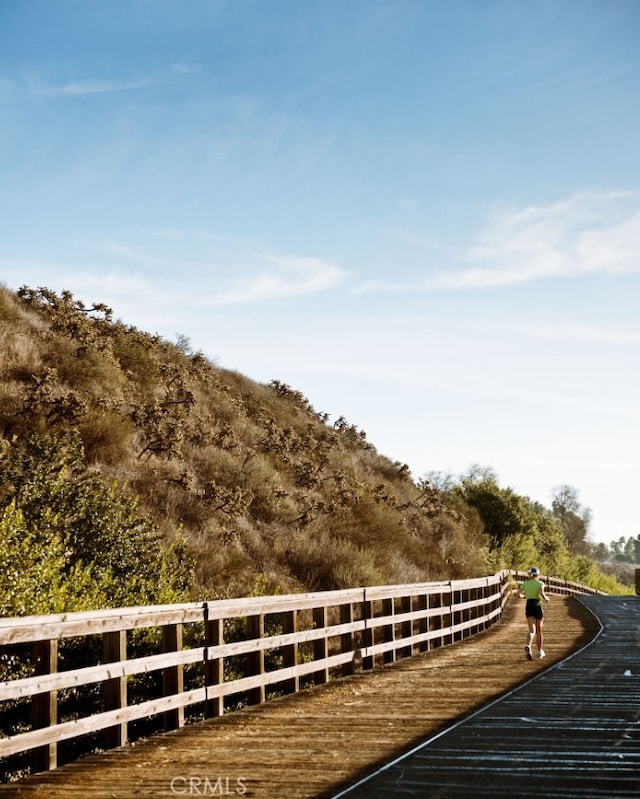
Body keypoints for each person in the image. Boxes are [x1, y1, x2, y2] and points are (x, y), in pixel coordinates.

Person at [520, 566, 550, 660]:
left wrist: (523, 596)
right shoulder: (540, 583)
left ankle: (528, 645)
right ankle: (540, 651)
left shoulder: (525, 584)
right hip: (537, 605)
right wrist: (546, 598)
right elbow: (541, 593)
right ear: (538, 575)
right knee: (539, 630)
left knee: (531, 630)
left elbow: (519, 594)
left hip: (529, 605)